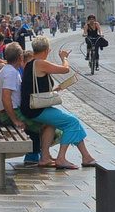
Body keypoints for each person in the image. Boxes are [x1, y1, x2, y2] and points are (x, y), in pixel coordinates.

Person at [21, 36, 96, 169]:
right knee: (72, 121)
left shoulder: (31, 64)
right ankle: (61, 159)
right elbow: (65, 69)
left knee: (53, 124)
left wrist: (56, 89)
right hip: (36, 109)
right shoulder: (40, 63)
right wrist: (64, 58)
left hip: (33, 106)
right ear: (46, 51)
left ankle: (84, 157)